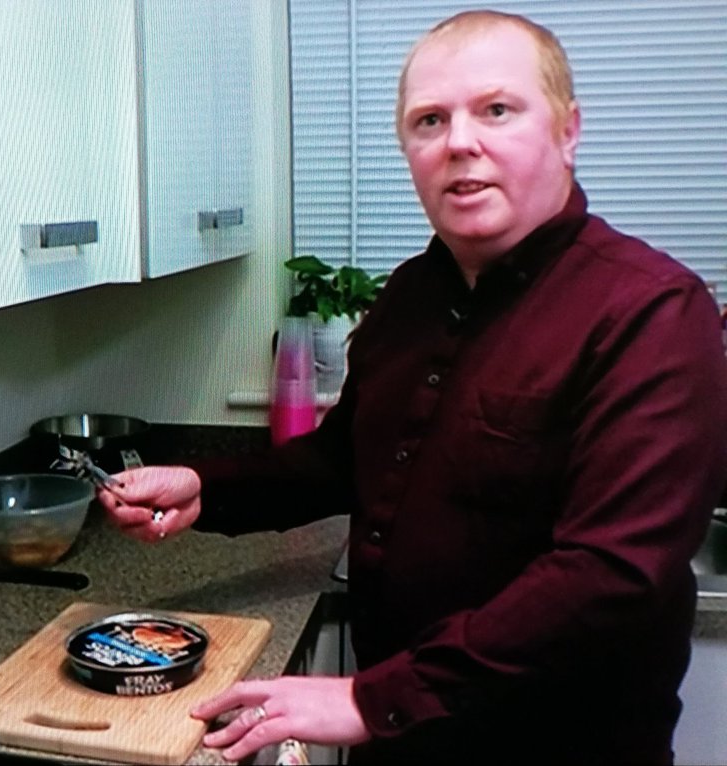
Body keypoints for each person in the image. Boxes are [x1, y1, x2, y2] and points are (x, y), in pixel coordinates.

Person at [96, 10, 727, 766]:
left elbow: (608, 576)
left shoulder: (652, 311)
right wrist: (207, 485)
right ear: (408, 148)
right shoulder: (409, 294)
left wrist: (370, 697)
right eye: (429, 119)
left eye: (497, 109)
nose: (461, 141)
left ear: (567, 131)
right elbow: (342, 460)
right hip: (403, 737)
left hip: (560, 745)